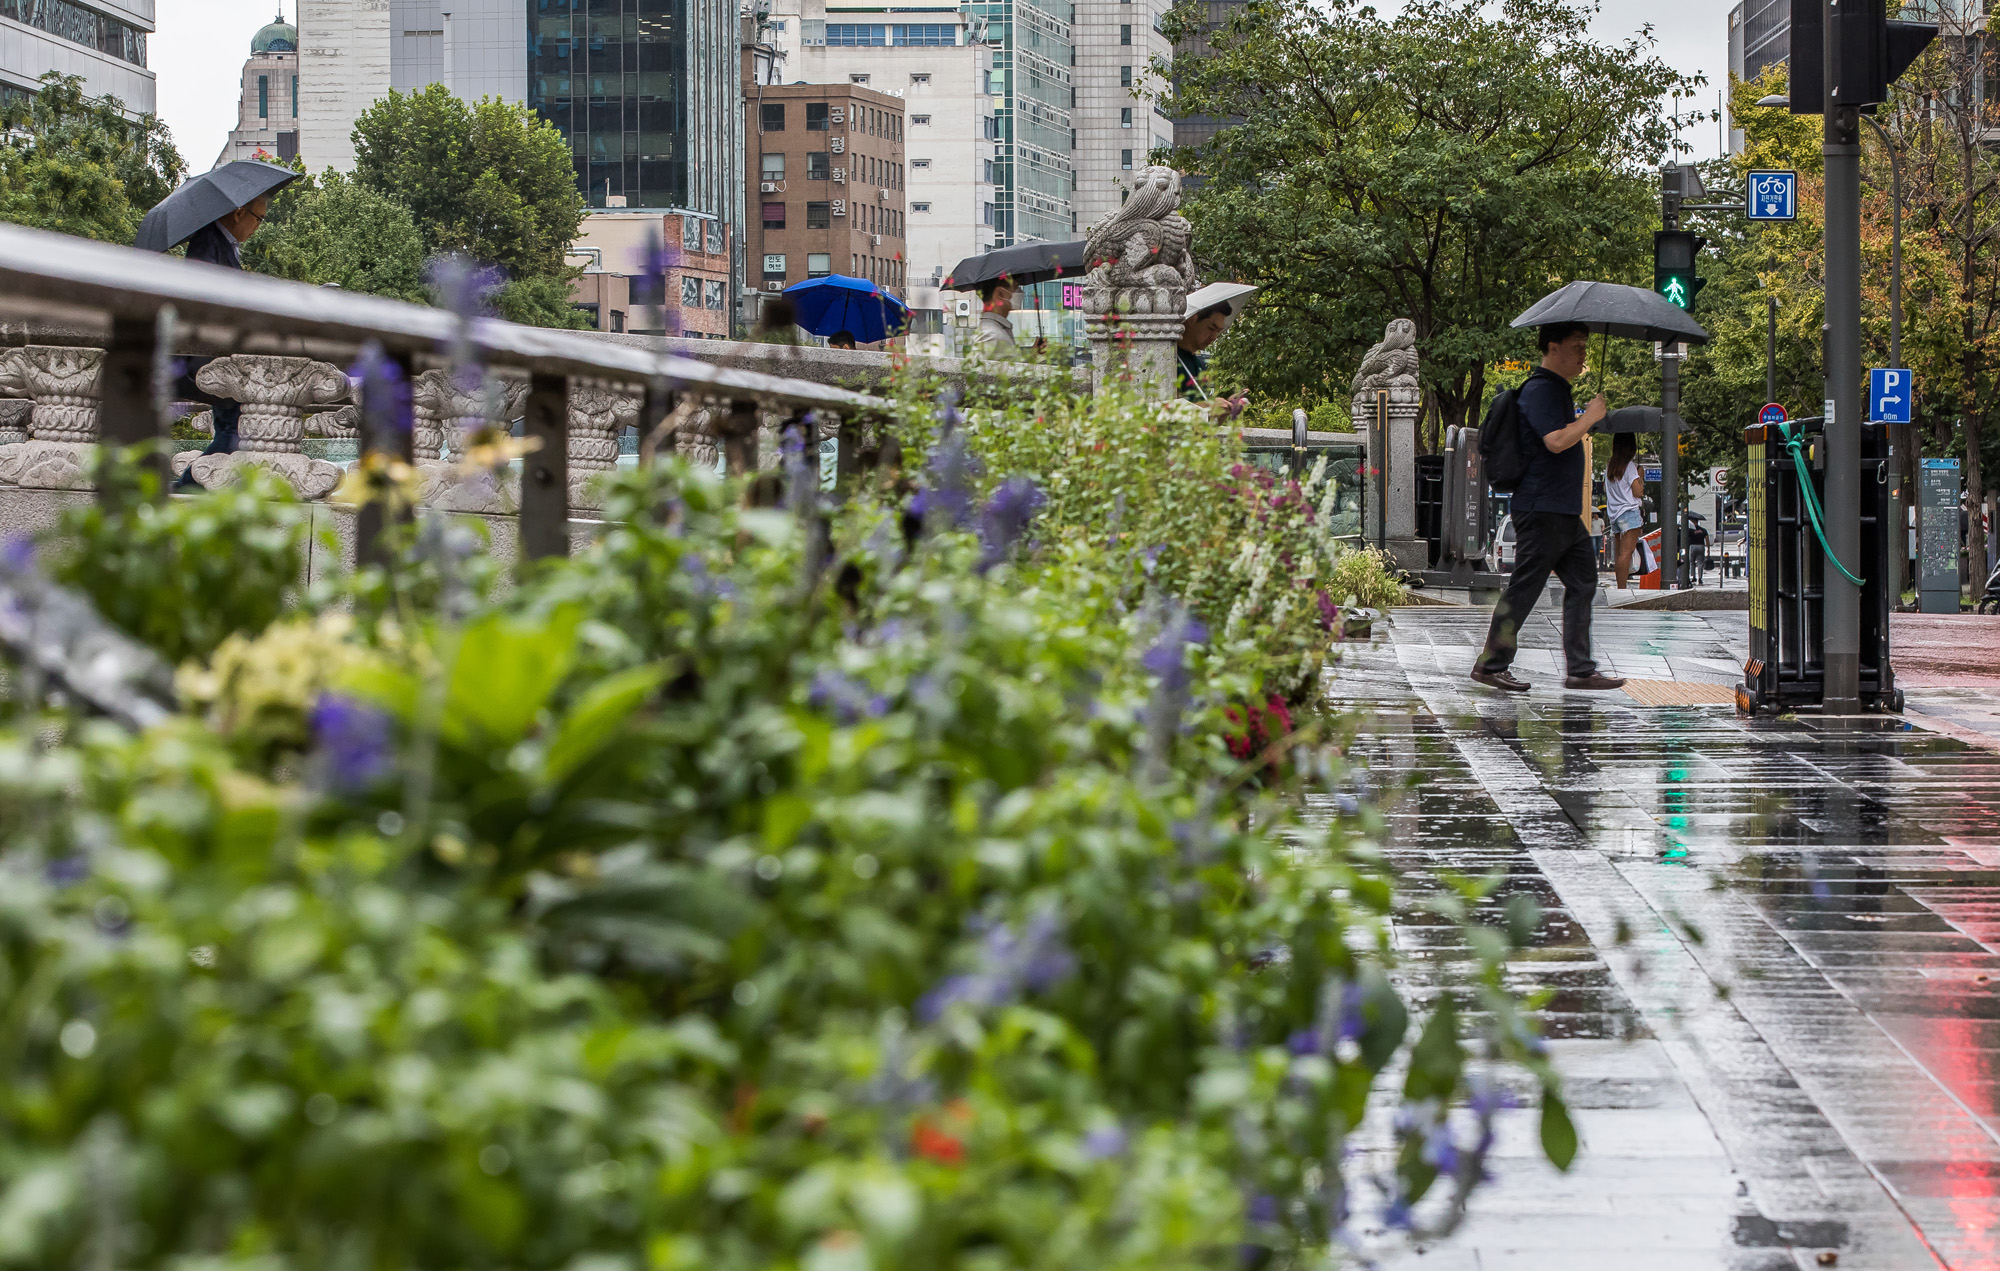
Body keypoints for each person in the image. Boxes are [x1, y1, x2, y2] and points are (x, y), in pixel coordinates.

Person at [1470, 322, 1626, 692]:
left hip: (1560, 510)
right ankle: (1491, 664)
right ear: (1553, 348)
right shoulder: (1540, 390)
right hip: (1542, 508)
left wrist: (1585, 417)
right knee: (1525, 586)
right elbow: (1555, 441)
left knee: (1584, 581)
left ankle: (1581, 669)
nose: (1583, 354)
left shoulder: (1556, 390)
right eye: (1577, 347)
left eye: (1586, 347)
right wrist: (1588, 418)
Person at [173, 196, 270, 487]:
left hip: (220, 354)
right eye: (258, 218)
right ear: (240, 213)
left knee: (232, 427)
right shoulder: (208, 240)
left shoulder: (223, 244)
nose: (257, 227)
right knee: (234, 428)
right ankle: (189, 485)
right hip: (207, 357)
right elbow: (205, 294)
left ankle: (194, 485)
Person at [1605, 431, 1645, 588]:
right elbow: (1638, 492)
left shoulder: (1610, 466)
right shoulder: (1630, 467)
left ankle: (1620, 586)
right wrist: (1640, 477)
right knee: (1626, 553)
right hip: (1629, 512)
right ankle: (1622, 589)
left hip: (1614, 514)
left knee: (1619, 554)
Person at [974, 278, 1019, 357]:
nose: (1019, 292)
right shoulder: (990, 334)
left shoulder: (996, 329)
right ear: (1000, 294)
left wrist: (1033, 356)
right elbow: (976, 367)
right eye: (1015, 288)